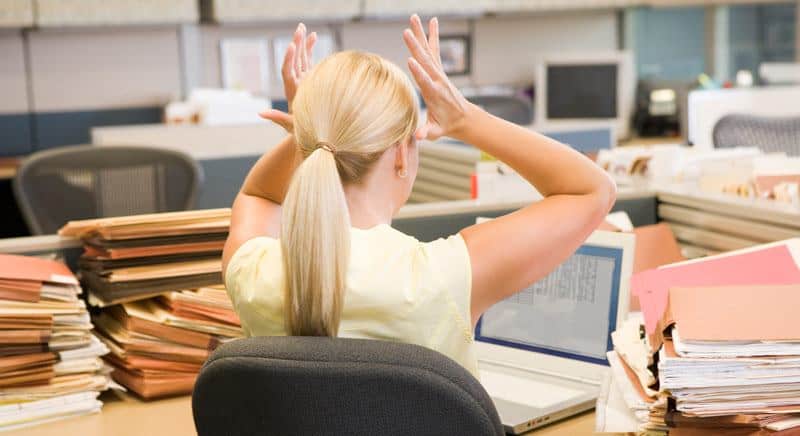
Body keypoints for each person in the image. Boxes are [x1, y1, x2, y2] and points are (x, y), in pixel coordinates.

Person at [222, 15, 616, 377]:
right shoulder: (441, 276)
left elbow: (259, 196)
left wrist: (311, 129)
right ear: (400, 154)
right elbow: (592, 189)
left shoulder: (254, 273)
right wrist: (465, 117)